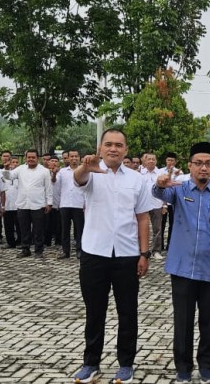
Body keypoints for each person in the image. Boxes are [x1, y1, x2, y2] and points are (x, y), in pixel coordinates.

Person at [70, 129, 153, 384]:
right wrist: (86, 167)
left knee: (127, 311)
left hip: (127, 255)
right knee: (95, 310)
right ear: (100, 148)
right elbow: (78, 179)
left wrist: (144, 253)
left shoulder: (137, 180)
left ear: (126, 150)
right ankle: (91, 363)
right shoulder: (92, 173)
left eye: (119, 145)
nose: (113, 149)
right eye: (108, 144)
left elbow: (142, 218)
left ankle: (126, 364)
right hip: (95, 252)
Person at [153, 142, 210, 384]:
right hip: (181, 267)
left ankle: (207, 365)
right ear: (189, 165)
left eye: (207, 163)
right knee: (183, 320)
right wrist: (159, 183)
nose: (203, 168)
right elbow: (159, 193)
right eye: (198, 163)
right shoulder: (178, 190)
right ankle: (183, 367)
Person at [2, 150, 52, 258]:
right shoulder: (20, 169)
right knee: (24, 229)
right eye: (29, 157)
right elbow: (8, 177)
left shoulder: (44, 171)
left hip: (38, 204)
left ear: (37, 158)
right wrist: (6, 168)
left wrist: (49, 203)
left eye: (33, 157)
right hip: (23, 204)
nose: (31, 159)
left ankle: (39, 250)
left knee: (38, 229)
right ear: (25, 158)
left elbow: (48, 188)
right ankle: (25, 249)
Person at [57, 150, 85, 259]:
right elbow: (55, 183)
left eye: (76, 156)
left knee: (80, 229)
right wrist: (54, 174)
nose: (74, 158)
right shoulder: (62, 172)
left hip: (79, 204)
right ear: (68, 158)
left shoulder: (84, 170)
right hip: (65, 204)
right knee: (65, 229)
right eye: (71, 156)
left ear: (79, 157)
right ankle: (65, 251)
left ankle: (80, 250)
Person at [139, 153, 165, 259]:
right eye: (148, 159)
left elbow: (165, 190)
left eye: (153, 159)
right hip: (142, 204)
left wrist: (165, 205)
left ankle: (156, 251)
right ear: (145, 161)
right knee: (141, 228)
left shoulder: (161, 173)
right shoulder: (140, 173)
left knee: (157, 229)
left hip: (157, 204)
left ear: (156, 161)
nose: (151, 161)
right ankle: (142, 251)